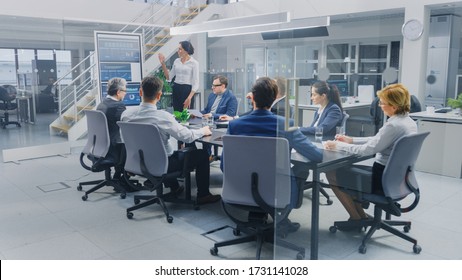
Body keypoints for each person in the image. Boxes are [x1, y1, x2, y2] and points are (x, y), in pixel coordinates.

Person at [221, 77, 323, 232]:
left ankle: (257, 218)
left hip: (239, 188)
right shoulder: (286, 124)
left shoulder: (235, 125)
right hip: (276, 190)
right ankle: (281, 221)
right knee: (300, 170)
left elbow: (224, 165)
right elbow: (316, 155)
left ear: (252, 98)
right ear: (275, 98)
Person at [323, 83, 417, 223]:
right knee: (346, 171)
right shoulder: (408, 121)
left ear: (394, 106)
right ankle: (361, 217)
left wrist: (339, 145)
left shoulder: (393, 125)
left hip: (382, 179)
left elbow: (368, 150)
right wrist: (351, 140)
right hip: (397, 177)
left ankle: (357, 218)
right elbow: (377, 140)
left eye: (383, 103)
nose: (380, 105)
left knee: (332, 173)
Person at [121, 75, 221, 205]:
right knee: (201, 154)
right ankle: (203, 195)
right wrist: (203, 131)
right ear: (159, 95)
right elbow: (186, 136)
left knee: (169, 152)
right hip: (161, 164)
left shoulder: (126, 115)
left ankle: (175, 188)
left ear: (140, 92)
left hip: (137, 162)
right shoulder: (163, 117)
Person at [96, 77, 128, 185]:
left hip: (99, 147)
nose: (125, 94)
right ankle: (122, 177)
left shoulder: (102, 104)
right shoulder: (118, 106)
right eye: (125, 91)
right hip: (112, 149)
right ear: (118, 92)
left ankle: (118, 175)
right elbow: (127, 126)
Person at [158, 41, 199, 112]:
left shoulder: (194, 63)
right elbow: (169, 77)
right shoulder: (176, 61)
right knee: (177, 112)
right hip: (176, 88)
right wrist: (163, 64)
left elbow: (196, 83)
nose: (178, 51)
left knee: (186, 113)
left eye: (180, 49)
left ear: (186, 50)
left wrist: (189, 98)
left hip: (187, 90)